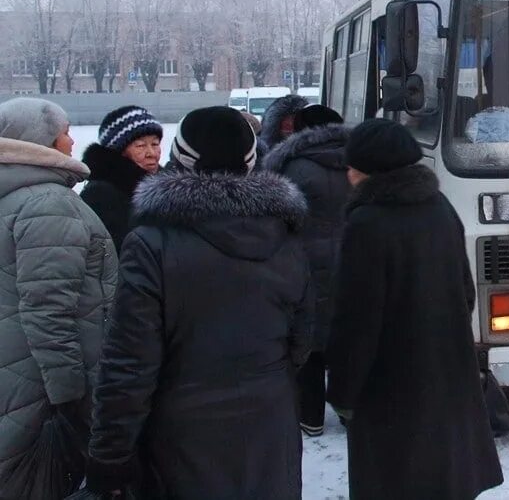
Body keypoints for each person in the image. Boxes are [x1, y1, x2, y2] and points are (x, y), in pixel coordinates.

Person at [85, 107, 313, 499]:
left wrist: (109, 454)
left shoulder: (151, 242)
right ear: (251, 160)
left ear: (180, 158)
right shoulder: (288, 237)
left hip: (182, 434)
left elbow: (129, 362)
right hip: (269, 425)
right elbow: (302, 341)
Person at [326, 119, 503, 500]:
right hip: (448, 375)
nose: (348, 172)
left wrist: (342, 391)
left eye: (353, 165)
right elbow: (466, 291)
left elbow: (356, 320)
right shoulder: (439, 206)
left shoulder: (367, 223)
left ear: (369, 170)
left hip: (390, 390)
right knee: (444, 479)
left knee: (396, 482)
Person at [0, 98, 117, 499]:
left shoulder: (16, 195)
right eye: (65, 131)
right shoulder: (47, 203)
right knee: (37, 479)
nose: (71, 141)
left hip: (17, 368)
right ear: (42, 139)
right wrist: (70, 396)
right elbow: (49, 309)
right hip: (43, 383)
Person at [262, 103, 349, 437]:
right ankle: (347, 408)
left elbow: (277, 221)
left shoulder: (291, 166)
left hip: (305, 265)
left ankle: (310, 416)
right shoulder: (359, 160)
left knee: (310, 343)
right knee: (345, 337)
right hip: (352, 260)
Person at [79, 105, 163, 253]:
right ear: (119, 151)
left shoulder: (165, 185)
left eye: (155, 144)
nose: (151, 153)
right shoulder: (101, 194)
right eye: (141, 145)